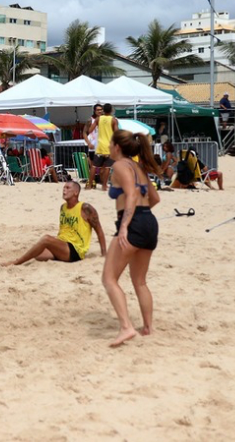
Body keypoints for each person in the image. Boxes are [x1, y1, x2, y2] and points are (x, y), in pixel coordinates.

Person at [102, 130, 161, 347]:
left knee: (109, 279)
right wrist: (141, 216)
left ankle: (126, 327)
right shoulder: (139, 167)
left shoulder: (120, 166)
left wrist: (125, 225)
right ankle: (147, 327)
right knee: (140, 281)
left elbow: (133, 193)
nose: (108, 147)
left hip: (133, 223)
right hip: (149, 222)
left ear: (117, 146)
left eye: (110, 143)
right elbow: (154, 198)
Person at [3, 181, 106, 266]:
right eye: (63, 188)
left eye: (67, 188)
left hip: (75, 249)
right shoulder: (63, 208)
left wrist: (104, 254)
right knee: (37, 255)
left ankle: (16, 263)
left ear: (76, 192)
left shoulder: (85, 208)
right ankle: (52, 255)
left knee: (46, 239)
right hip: (63, 244)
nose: (64, 190)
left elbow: (99, 230)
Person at [88, 103, 119, 191]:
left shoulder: (98, 119)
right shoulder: (114, 120)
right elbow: (117, 133)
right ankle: (104, 186)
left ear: (103, 110)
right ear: (111, 110)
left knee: (94, 166)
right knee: (107, 167)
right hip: (109, 146)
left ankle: (90, 184)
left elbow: (90, 130)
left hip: (100, 146)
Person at [82, 104, 102, 190]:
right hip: (93, 145)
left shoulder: (104, 119)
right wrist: (88, 142)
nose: (100, 111)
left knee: (104, 166)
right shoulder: (90, 120)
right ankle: (91, 182)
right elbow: (84, 132)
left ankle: (102, 182)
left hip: (102, 145)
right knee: (93, 165)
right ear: (94, 110)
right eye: (98, 110)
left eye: (101, 110)